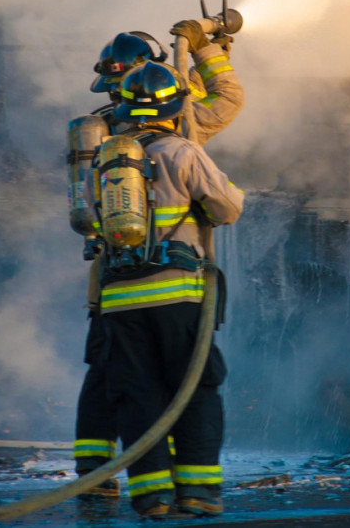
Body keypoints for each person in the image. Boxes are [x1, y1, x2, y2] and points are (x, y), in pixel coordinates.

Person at [72, 24, 243, 498]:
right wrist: (207, 51)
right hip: (176, 284)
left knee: (122, 382)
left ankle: (104, 473)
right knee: (186, 382)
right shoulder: (181, 136)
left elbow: (85, 216)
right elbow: (227, 98)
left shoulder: (101, 139)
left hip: (113, 284)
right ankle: (195, 490)